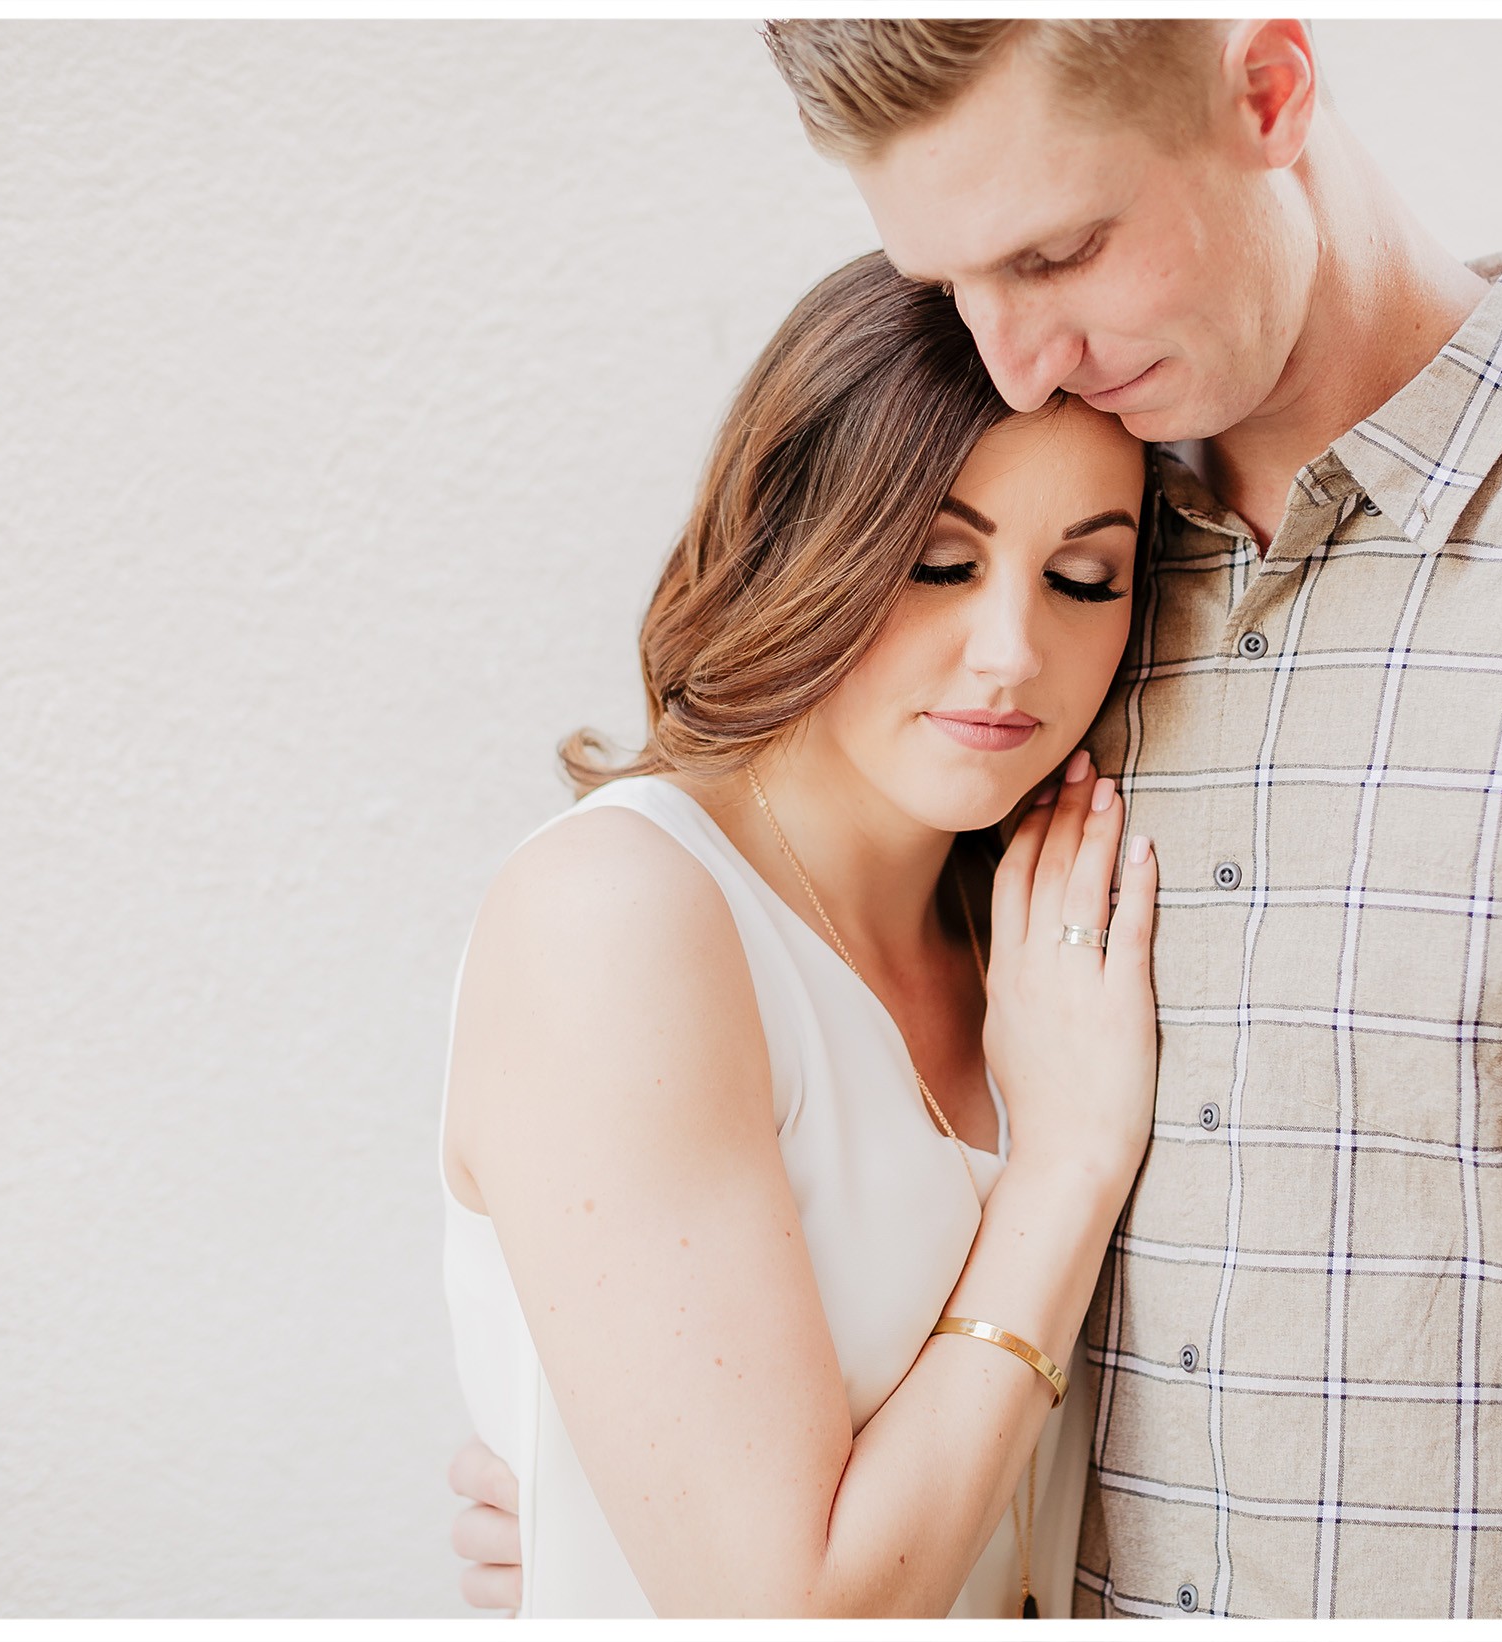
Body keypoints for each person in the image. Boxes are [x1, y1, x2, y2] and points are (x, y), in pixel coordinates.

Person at [450, 19, 1502, 1618]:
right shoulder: (1040, 614)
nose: (1011, 358)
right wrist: (619, 1486)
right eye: (955, 284)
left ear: (1271, 91)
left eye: (1060, 252)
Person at [439, 249, 1168, 1616]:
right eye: (941, 562)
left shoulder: (1035, 944)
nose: (1011, 650)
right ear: (797, 543)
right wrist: (1064, 1166)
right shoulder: (625, 917)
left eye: (1084, 578)